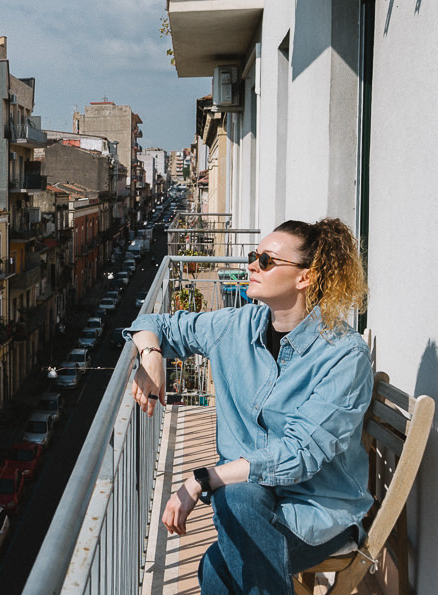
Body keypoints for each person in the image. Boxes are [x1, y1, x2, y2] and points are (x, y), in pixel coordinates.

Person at [124, 218, 372, 594]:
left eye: (266, 261)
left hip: (316, 509)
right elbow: (154, 322)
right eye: (254, 256)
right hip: (251, 498)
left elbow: (298, 455)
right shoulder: (237, 326)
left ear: (305, 277)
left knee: (218, 562)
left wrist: (201, 479)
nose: (252, 266)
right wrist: (151, 354)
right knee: (236, 502)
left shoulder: (342, 354)